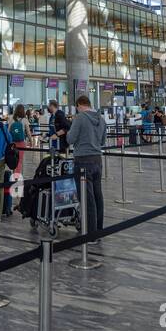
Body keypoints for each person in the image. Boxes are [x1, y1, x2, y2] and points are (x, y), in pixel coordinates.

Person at [66, 94, 106, 241]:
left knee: (87, 198)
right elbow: (102, 141)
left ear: (79, 105)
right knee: (97, 196)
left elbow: (70, 139)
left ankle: (91, 234)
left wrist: (69, 133)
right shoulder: (101, 119)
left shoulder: (80, 118)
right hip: (97, 160)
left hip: (83, 161)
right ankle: (98, 231)